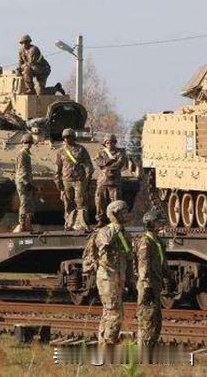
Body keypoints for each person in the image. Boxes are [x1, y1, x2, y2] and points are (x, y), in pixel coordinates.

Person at [95, 200, 131, 346]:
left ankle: (104, 343)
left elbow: (128, 256)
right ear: (115, 214)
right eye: (124, 212)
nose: (127, 215)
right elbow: (105, 248)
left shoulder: (125, 234)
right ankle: (108, 345)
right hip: (107, 277)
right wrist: (116, 229)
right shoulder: (105, 231)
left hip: (118, 278)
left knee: (111, 312)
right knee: (114, 313)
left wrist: (129, 279)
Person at [135, 209, 169, 347]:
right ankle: (144, 349)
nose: (161, 224)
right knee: (147, 318)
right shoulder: (146, 242)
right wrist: (146, 285)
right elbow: (143, 265)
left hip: (156, 283)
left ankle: (151, 347)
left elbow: (162, 261)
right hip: (147, 285)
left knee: (156, 319)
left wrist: (168, 276)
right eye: (158, 222)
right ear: (150, 224)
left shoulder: (159, 241)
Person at [55, 128, 94, 231]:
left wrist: (88, 173)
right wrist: (57, 180)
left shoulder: (81, 149)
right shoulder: (61, 151)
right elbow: (58, 167)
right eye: (65, 137)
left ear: (73, 137)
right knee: (68, 202)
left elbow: (88, 163)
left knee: (80, 201)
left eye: (69, 137)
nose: (67, 139)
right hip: (66, 180)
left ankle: (81, 222)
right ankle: (69, 222)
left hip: (79, 180)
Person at [94, 134, 127, 228]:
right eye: (107, 142)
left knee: (116, 203)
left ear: (115, 142)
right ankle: (101, 220)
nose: (110, 143)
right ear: (105, 143)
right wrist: (110, 162)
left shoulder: (120, 152)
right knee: (100, 201)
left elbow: (120, 164)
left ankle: (116, 220)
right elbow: (99, 162)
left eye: (112, 142)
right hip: (103, 181)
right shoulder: (101, 152)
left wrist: (107, 165)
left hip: (115, 181)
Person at [14, 133, 35, 232]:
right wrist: (27, 182)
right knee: (24, 202)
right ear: (22, 143)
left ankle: (27, 223)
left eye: (30, 143)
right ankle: (22, 223)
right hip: (23, 182)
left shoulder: (26, 154)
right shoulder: (22, 154)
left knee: (28, 202)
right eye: (26, 142)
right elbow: (21, 170)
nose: (28, 144)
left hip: (25, 181)